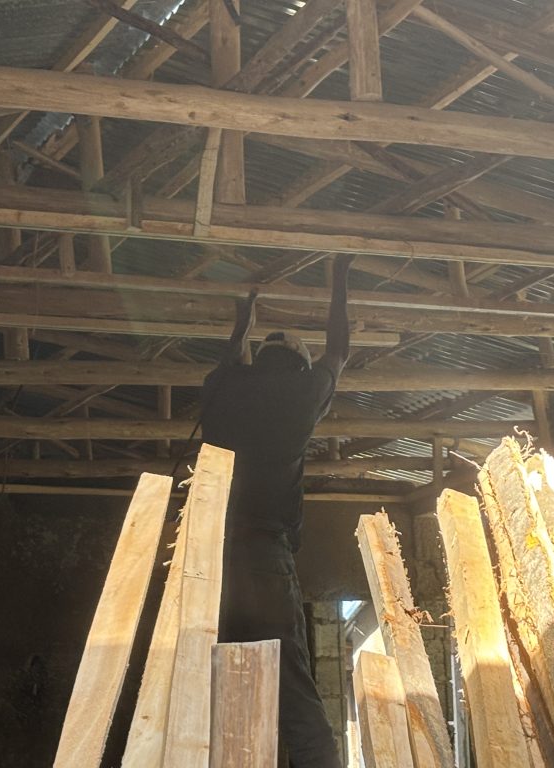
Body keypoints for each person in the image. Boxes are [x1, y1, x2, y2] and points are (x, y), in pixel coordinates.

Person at [200, 254, 354, 768]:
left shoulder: (223, 389)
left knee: (212, 686)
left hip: (210, 562)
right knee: (294, 692)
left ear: (258, 358)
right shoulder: (302, 393)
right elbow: (339, 350)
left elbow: (232, 357)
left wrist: (243, 315)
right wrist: (339, 276)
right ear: (301, 366)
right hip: (266, 557)